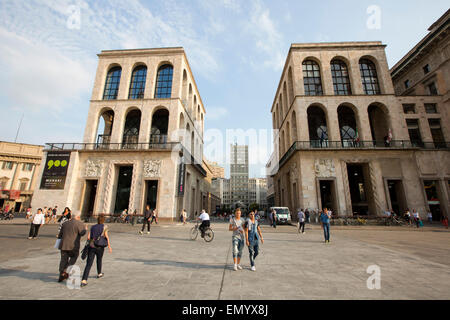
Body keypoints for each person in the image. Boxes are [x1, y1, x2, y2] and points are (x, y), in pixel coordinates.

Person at [81, 215, 112, 287]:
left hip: (92, 246)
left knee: (89, 264)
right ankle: (99, 273)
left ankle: (84, 280)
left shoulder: (92, 227)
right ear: (103, 220)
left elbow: (88, 237)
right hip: (100, 247)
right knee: (99, 259)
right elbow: (106, 236)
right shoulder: (105, 227)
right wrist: (109, 246)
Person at [57, 214, 87, 283]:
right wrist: (85, 229)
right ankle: (66, 270)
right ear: (78, 217)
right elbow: (82, 233)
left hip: (64, 245)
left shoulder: (65, 223)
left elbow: (60, 234)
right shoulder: (79, 223)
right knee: (74, 257)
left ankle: (61, 274)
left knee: (63, 260)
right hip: (73, 245)